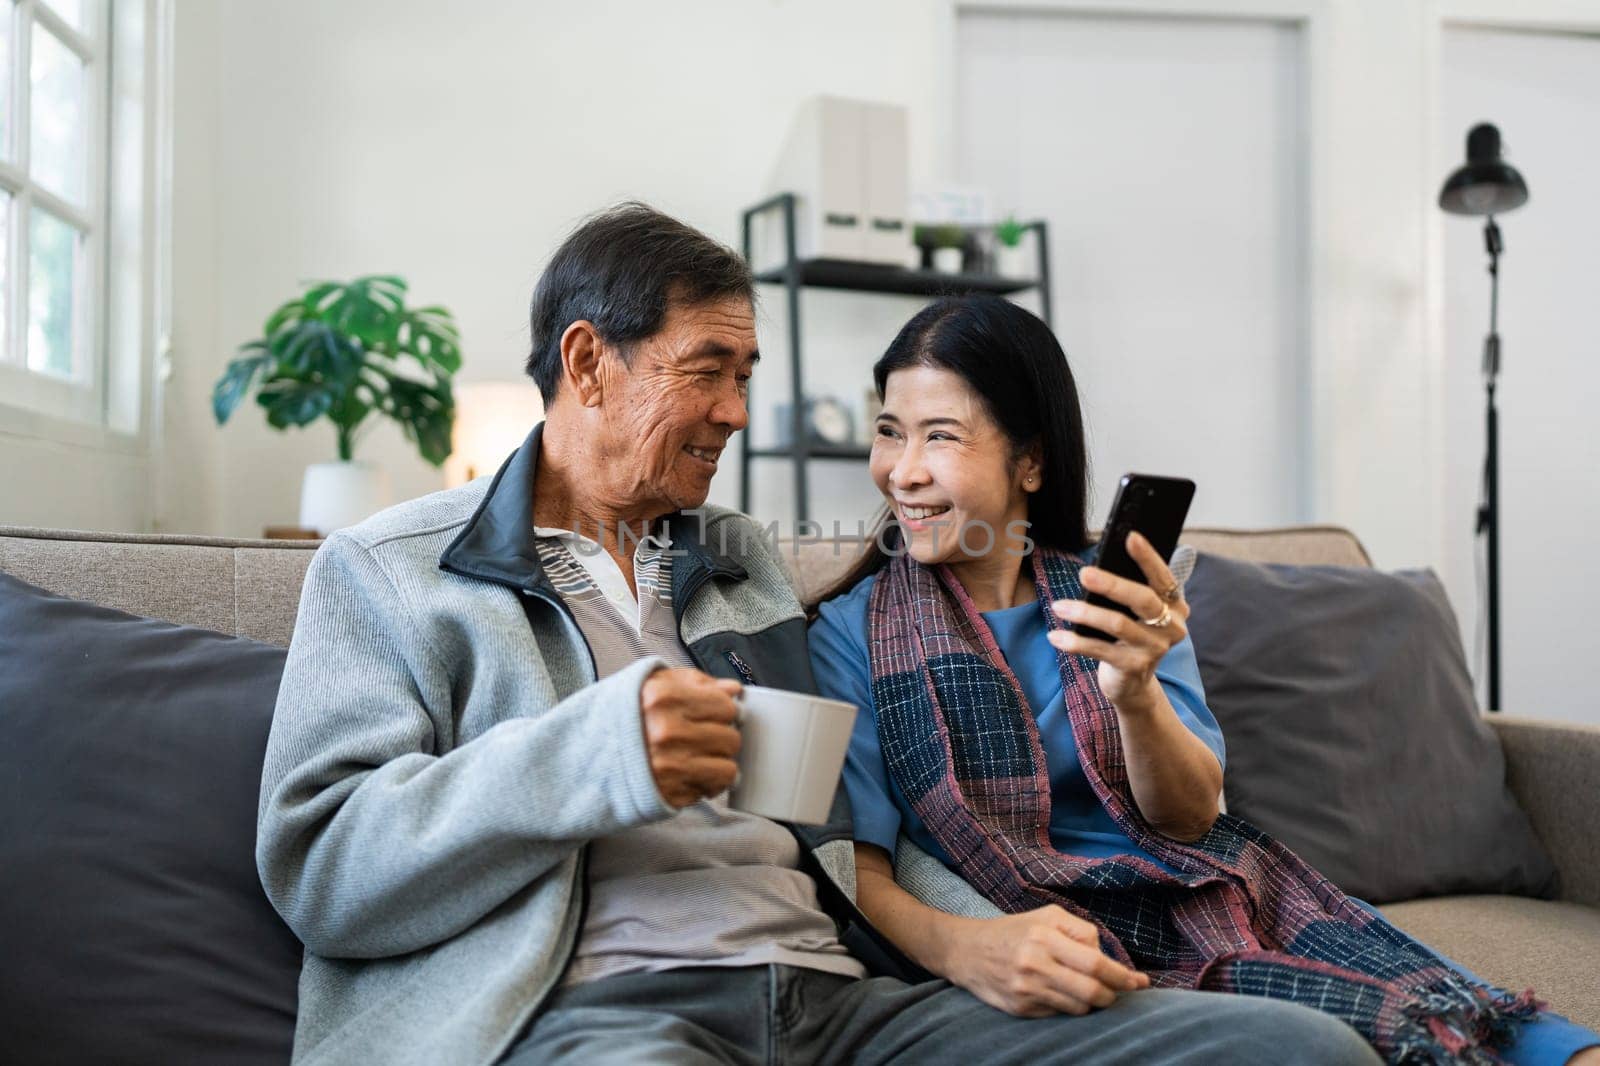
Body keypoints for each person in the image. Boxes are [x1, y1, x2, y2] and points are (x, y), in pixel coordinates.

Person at [256, 207, 1381, 1066]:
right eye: (709, 370)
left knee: (1298, 1051)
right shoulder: (390, 571)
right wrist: (591, 756)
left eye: (745, 375)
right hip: (603, 1010)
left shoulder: (736, 556)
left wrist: (976, 940)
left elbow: (829, 822)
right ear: (589, 361)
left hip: (837, 1005)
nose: (739, 411)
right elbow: (321, 869)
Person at [808, 294, 1600, 1065]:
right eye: (889, 432)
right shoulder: (853, 633)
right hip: (1058, 931)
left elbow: (1189, 819)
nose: (902, 471)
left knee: (1529, 1043)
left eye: (939, 436)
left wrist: (1137, 694)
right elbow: (856, 866)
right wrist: (968, 948)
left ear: (1033, 461)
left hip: (1216, 889)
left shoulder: (1119, 599)